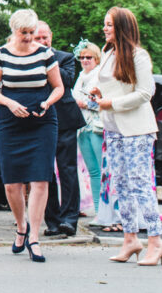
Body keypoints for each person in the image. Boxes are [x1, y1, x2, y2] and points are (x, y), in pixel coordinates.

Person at [0, 8, 64, 263]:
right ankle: (21, 226)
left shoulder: (45, 54)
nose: (30, 37)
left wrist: (47, 103)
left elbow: (59, 87)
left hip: (41, 122)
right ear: (14, 31)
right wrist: (8, 103)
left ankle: (35, 238)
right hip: (10, 122)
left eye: (32, 33)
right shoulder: (2, 54)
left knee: (40, 180)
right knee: (12, 182)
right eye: (25, 33)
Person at [90, 6, 162, 265]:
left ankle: (156, 241)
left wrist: (111, 102)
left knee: (140, 183)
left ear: (121, 27)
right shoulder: (107, 53)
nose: (105, 28)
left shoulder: (139, 55)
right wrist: (98, 94)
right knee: (120, 184)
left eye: (109, 24)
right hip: (113, 128)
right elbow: (113, 86)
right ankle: (130, 238)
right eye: (105, 24)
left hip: (137, 130)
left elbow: (146, 93)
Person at [34, 22, 83, 238]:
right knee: (45, 173)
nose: (42, 42)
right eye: (38, 38)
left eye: (45, 38)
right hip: (40, 121)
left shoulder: (65, 58)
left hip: (65, 121)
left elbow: (66, 80)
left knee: (68, 170)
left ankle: (69, 219)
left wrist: (46, 63)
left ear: (51, 37)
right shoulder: (26, 61)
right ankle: (52, 221)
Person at [71, 42, 104, 215]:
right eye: (82, 57)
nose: (84, 60)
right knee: (92, 170)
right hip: (82, 127)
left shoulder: (100, 75)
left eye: (88, 57)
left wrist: (85, 104)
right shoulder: (81, 76)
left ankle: (105, 211)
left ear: (96, 59)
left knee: (101, 168)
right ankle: (98, 210)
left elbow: (104, 100)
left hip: (97, 125)